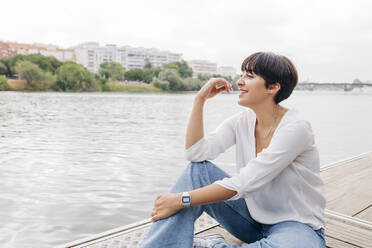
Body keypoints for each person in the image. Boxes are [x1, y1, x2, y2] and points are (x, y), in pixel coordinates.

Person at [139, 52, 326, 248]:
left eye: (249, 76)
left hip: (296, 227)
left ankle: (211, 245)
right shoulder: (243, 121)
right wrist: (199, 100)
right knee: (198, 171)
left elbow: (244, 183)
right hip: (250, 220)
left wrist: (182, 199)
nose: (239, 81)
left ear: (273, 87)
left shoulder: (296, 128)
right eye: (242, 74)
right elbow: (196, 153)